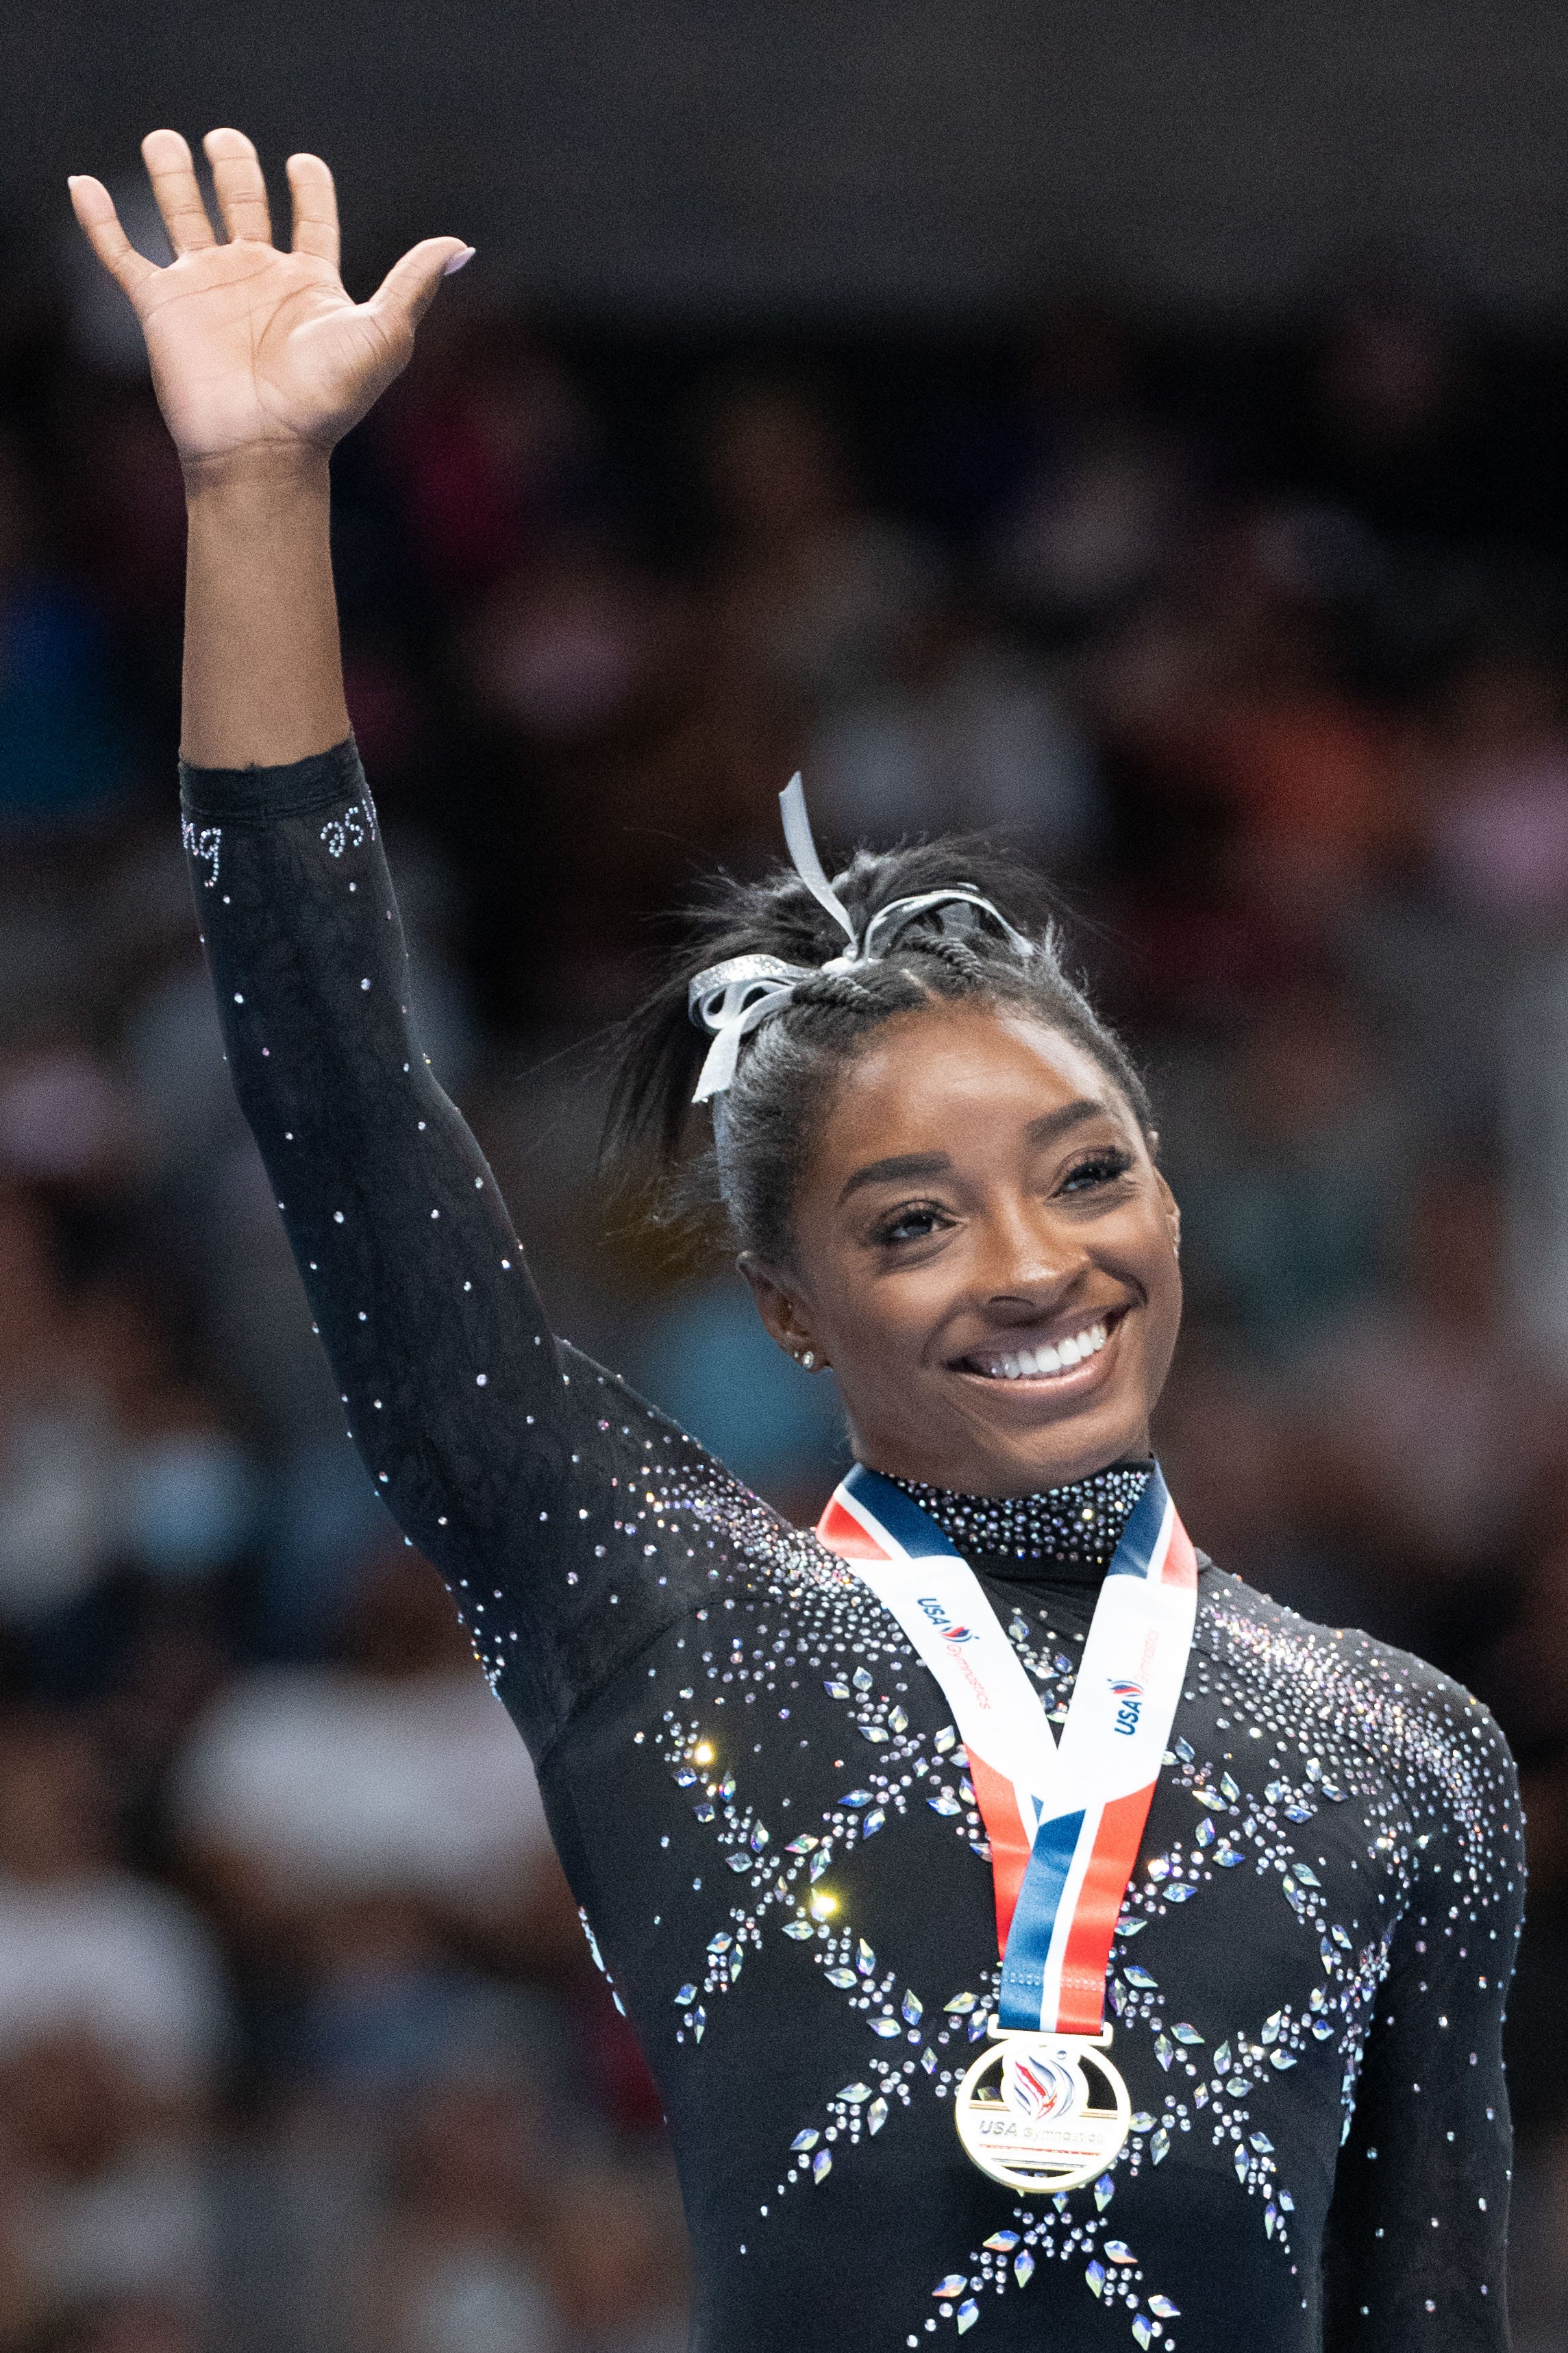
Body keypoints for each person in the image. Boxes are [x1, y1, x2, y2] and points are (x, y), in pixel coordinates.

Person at [69, 127, 1523, 2350]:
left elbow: (1424, 2313)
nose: (1034, 1262)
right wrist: (259, 498)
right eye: (913, 1216)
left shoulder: (1406, 1754)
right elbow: (343, 1113)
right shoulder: (664, 1619)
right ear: (787, 1305)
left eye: (1086, 1168)